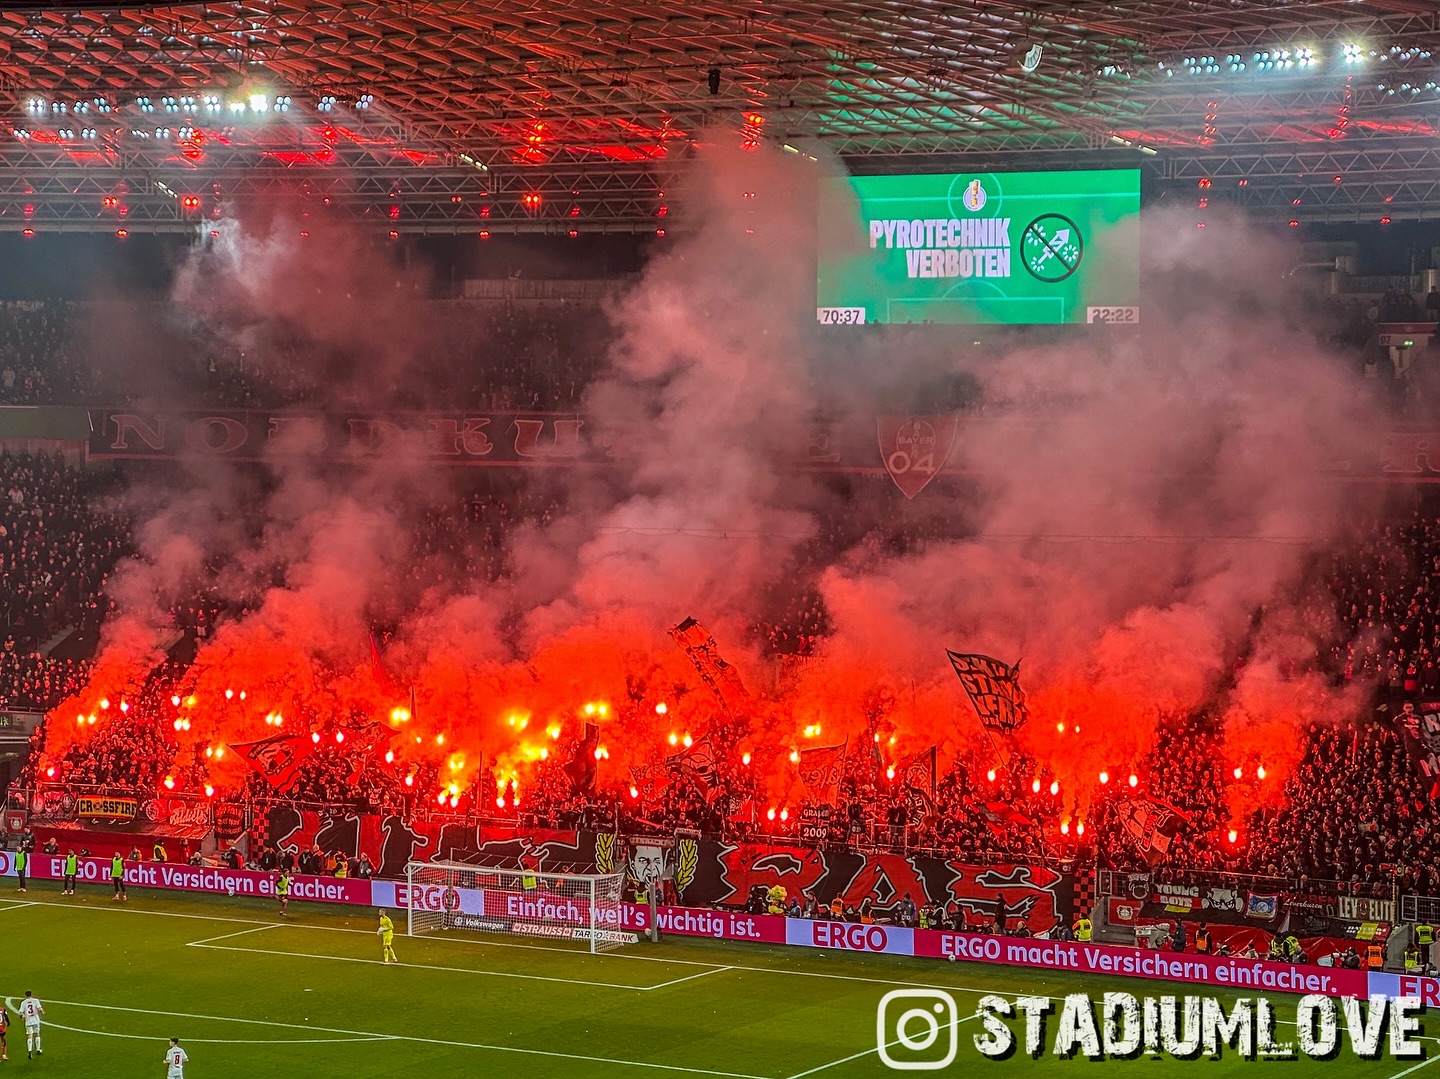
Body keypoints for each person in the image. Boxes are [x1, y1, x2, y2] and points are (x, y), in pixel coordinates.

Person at [18, 992, 41, 1059]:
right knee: (37, 1034)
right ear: (31, 995)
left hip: (28, 1022)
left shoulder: (23, 1003)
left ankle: (29, 1051)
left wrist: (22, 1016)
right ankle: (38, 1049)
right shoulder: (36, 1000)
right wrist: (42, 1011)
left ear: (25, 995)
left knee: (29, 1036)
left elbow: (21, 1012)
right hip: (36, 1021)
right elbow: (40, 1009)